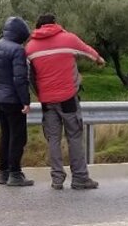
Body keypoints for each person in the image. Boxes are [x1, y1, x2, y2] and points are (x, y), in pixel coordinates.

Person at [25, 13, 104, 190]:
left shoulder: (30, 47)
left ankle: (57, 179)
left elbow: (29, 75)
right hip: (68, 97)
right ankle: (80, 178)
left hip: (46, 101)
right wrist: (99, 60)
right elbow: (90, 52)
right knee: (74, 136)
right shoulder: (68, 39)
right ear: (55, 23)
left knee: (53, 138)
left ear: (38, 27)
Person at [0, 16, 34, 187]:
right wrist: (25, 101)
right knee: (17, 137)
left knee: (5, 135)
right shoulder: (17, 50)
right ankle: (15, 174)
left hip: (0, 99)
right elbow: (20, 79)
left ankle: (3, 172)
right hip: (14, 100)